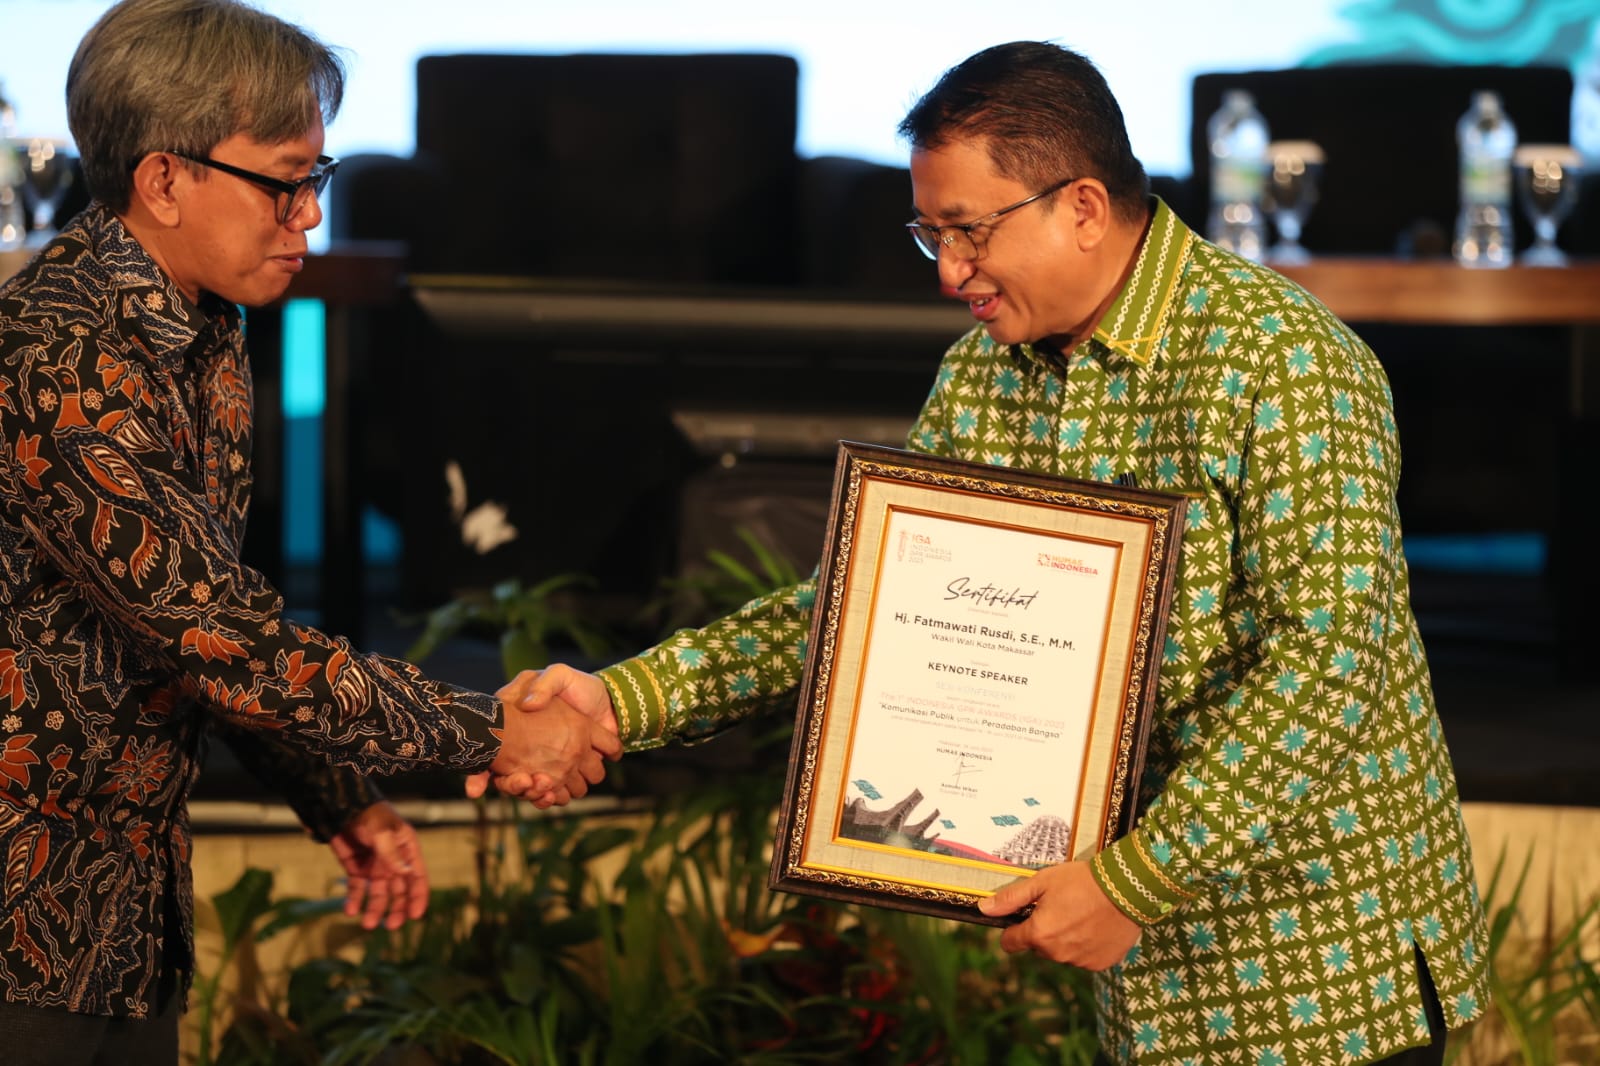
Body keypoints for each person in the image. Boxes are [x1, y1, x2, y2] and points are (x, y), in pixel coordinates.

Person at [493, 41, 1491, 1066]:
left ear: (1083, 207)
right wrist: (619, 703)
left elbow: (1328, 662)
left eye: (969, 231)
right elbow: (856, 609)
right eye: (930, 234)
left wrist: (1135, 882)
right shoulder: (983, 374)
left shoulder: (1285, 360)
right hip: (1142, 973)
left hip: (1326, 967)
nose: (948, 272)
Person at [0, 0, 620, 1060]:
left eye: (317, 177)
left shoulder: (206, 329)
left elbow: (202, 626)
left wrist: (338, 798)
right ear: (164, 180)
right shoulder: (55, 358)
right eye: (285, 182)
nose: (311, 218)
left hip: (122, 915)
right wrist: (494, 730)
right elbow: (219, 638)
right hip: (23, 913)